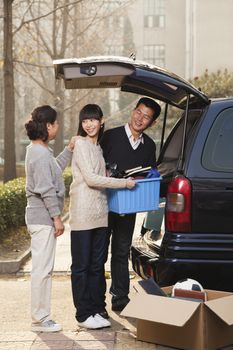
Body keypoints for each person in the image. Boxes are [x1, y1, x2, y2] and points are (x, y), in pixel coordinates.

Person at [69, 104, 135, 330]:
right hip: (82, 213)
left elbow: (102, 175)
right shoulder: (81, 145)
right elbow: (91, 179)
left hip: (100, 213)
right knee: (82, 266)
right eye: (85, 120)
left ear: (101, 120)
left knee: (97, 265)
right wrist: (123, 183)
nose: (89, 124)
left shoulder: (98, 148)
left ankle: (97, 308)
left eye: (93, 120)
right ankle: (83, 314)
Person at [100, 96, 161, 312]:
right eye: (139, 112)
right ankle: (98, 301)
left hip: (128, 206)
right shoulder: (109, 137)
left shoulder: (149, 146)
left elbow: (149, 176)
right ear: (133, 110)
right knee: (99, 252)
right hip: (103, 205)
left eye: (146, 117)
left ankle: (120, 297)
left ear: (152, 123)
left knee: (121, 251)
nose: (140, 119)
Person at [25, 105, 77, 332]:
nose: (57, 127)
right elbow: (46, 189)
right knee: (42, 271)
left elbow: (54, 169)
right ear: (47, 126)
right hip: (42, 219)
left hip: (40, 219)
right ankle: (40, 319)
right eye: (55, 124)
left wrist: (68, 149)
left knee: (43, 269)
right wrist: (57, 218)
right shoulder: (38, 153)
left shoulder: (39, 151)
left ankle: (41, 317)